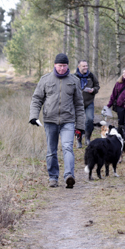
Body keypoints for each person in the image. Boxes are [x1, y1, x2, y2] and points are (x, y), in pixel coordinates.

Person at [29, 53, 85, 189]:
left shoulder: (74, 80)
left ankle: (68, 176)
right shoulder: (45, 80)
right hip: (50, 120)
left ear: (68, 66)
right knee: (51, 151)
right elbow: (37, 99)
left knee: (67, 147)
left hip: (68, 120)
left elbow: (79, 104)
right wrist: (34, 116)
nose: (62, 69)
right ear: (55, 65)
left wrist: (80, 125)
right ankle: (53, 178)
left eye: (64, 66)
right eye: (60, 66)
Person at [105, 67, 125, 135]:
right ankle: (120, 136)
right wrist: (109, 104)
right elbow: (114, 94)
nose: (124, 74)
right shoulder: (118, 83)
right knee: (120, 122)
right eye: (123, 73)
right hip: (119, 105)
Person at [74, 60, 100, 147]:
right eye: (83, 66)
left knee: (89, 119)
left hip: (89, 102)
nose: (86, 67)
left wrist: (93, 90)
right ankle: (79, 140)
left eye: (86, 66)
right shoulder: (74, 77)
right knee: (79, 122)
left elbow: (97, 85)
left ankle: (88, 138)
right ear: (79, 67)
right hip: (78, 103)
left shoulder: (91, 76)